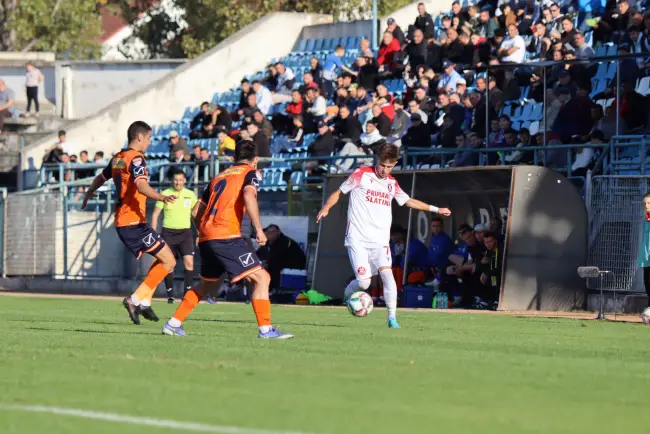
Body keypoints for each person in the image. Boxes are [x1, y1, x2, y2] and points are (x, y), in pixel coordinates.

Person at [162, 140, 293, 339]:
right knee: (262, 278)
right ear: (255, 160)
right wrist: (259, 229)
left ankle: (173, 323)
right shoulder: (252, 172)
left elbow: (196, 211)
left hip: (208, 236)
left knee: (208, 285)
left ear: (233, 159)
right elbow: (249, 196)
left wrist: (203, 232)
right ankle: (266, 330)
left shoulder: (218, 177)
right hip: (227, 236)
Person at [316, 143, 451, 328]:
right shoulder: (361, 174)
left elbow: (408, 201)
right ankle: (348, 296)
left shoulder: (391, 183)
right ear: (377, 160)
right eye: (383, 165)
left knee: (388, 276)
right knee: (364, 283)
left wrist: (436, 209)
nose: (385, 170)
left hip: (380, 240)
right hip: (358, 238)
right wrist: (326, 207)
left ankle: (392, 318)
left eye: (390, 166)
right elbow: (339, 192)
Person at [81, 121, 178, 324]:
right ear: (140, 137)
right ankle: (134, 300)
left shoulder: (119, 157)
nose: (150, 143)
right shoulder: (136, 159)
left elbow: (102, 176)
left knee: (162, 259)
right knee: (169, 261)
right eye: (149, 138)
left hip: (127, 222)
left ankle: (145, 302)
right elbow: (141, 185)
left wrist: (90, 191)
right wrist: (161, 197)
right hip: (133, 222)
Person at [151, 169, 198, 304]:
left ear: (184, 181)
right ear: (172, 181)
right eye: (175, 180)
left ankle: (186, 295)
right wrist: (153, 234)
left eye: (180, 180)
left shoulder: (190, 195)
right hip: (168, 233)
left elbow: (195, 215)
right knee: (169, 265)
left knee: (189, 263)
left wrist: (200, 231)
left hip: (186, 234)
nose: (178, 182)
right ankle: (170, 294)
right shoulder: (165, 194)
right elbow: (155, 214)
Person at [256, 224, 307, 290]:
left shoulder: (284, 241)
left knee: (270, 268)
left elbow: (276, 256)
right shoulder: (272, 242)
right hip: (284, 264)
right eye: (268, 233)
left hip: (293, 267)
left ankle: (273, 290)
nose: (269, 235)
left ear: (278, 232)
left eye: (272, 232)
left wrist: (266, 263)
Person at [638, 192, 650, 310]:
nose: (646, 205)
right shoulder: (646, 219)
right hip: (646, 259)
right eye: (644, 203)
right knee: (647, 284)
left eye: (649, 203)